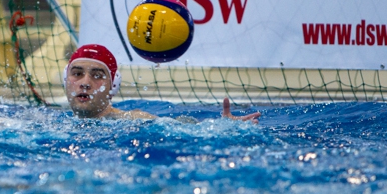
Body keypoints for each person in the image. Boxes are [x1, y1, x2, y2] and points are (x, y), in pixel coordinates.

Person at [64, 44, 261, 122]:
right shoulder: (51, 121)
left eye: (97, 75)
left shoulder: (132, 120)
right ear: (66, 80)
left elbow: (185, 129)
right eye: (77, 74)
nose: (85, 83)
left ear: (112, 86)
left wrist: (223, 128)